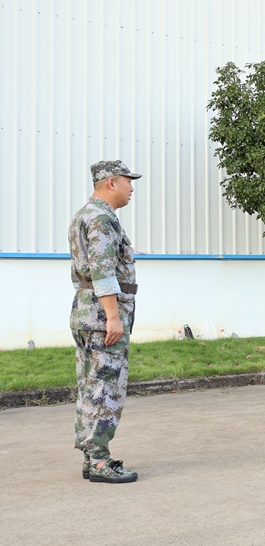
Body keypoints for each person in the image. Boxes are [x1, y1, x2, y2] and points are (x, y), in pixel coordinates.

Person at [69, 160, 141, 483]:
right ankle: (99, 460)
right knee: (105, 388)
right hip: (102, 318)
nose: (132, 188)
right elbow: (102, 271)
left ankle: (90, 457)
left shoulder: (84, 215)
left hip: (86, 314)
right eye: (128, 181)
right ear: (111, 182)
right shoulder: (101, 219)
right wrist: (113, 316)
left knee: (88, 385)